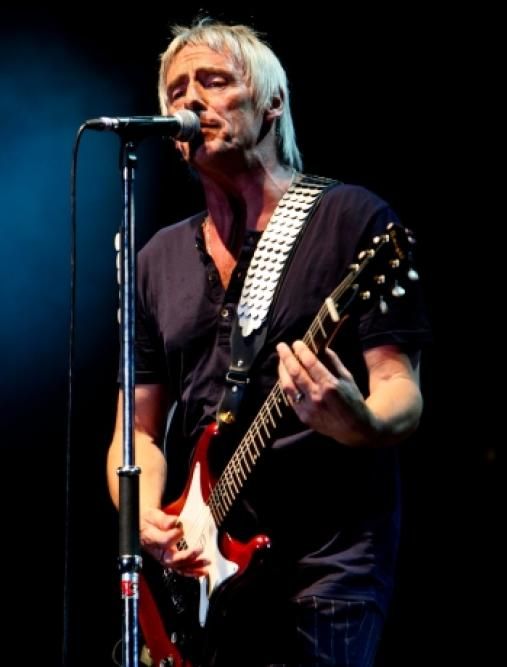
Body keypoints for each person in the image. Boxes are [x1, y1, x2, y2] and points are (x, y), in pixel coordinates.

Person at [107, 17, 431, 667]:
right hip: (202, 571)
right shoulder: (156, 259)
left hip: (326, 565)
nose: (191, 100)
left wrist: (362, 421)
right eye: (177, 90)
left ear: (272, 102)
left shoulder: (350, 219)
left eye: (213, 81)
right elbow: (134, 432)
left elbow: (400, 387)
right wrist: (143, 517)